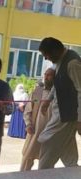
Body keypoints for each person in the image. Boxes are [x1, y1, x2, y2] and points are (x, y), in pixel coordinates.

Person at [37, 37, 81, 169]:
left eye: (47, 55)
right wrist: (48, 100)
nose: (46, 59)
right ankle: (75, 178)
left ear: (56, 51)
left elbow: (80, 91)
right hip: (60, 112)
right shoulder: (60, 61)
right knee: (68, 154)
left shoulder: (72, 63)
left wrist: (80, 120)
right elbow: (57, 84)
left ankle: (41, 177)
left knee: (47, 142)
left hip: (66, 116)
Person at [20, 68, 55, 171]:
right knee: (27, 158)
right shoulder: (37, 92)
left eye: (49, 75)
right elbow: (27, 111)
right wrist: (28, 124)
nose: (46, 77)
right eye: (45, 74)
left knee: (47, 162)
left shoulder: (58, 94)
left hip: (50, 132)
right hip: (34, 131)